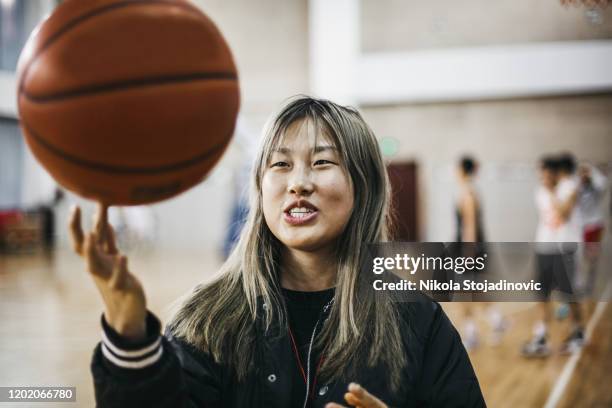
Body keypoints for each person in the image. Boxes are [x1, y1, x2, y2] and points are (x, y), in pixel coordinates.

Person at [69, 96, 485, 407]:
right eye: (280, 165)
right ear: (261, 188)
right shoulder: (207, 318)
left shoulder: (416, 320)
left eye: (322, 162)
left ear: (364, 186)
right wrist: (129, 338)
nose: (298, 183)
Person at [522, 154, 584, 358]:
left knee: (568, 293)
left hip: (564, 248)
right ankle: (541, 336)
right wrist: (549, 190)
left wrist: (553, 191)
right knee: (542, 293)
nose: (542, 177)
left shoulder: (569, 188)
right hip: (545, 248)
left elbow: (564, 212)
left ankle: (577, 332)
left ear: (555, 173)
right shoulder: (540, 191)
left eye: (545, 173)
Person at [453, 156, 505, 349]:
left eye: (456, 168)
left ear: (462, 170)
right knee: (474, 290)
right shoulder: (470, 190)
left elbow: (470, 226)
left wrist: (468, 253)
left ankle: (472, 333)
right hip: (472, 249)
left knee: (462, 292)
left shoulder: (468, 193)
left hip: (469, 250)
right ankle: (497, 320)